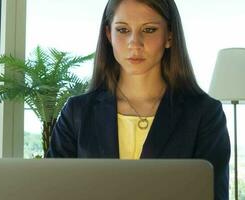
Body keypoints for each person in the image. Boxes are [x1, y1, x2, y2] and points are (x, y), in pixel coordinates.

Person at [46, 0, 231, 199]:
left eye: (149, 30)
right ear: (108, 35)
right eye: (123, 30)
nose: (135, 43)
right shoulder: (77, 112)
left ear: (169, 36)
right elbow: (50, 191)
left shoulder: (205, 113)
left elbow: (214, 195)